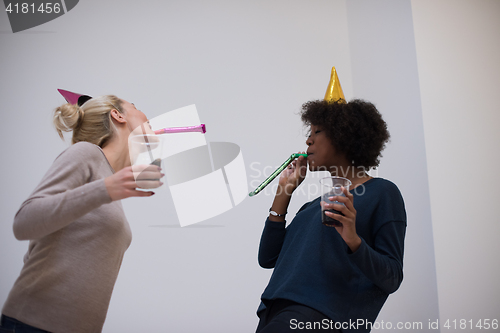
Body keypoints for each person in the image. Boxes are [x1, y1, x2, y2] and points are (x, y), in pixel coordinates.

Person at [255, 71, 406, 333]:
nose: (308, 139)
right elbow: (268, 258)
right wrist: (284, 194)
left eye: (317, 131)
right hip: (274, 315)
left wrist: (352, 239)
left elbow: (391, 277)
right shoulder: (311, 207)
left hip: (322, 318)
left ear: (342, 135)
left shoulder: (382, 192)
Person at [0, 91, 163, 333]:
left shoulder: (110, 178)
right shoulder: (86, 153)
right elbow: (23, 222)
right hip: (32, 324)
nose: (145, 114)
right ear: (117, 115)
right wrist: (105, 188)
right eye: (135, 107)